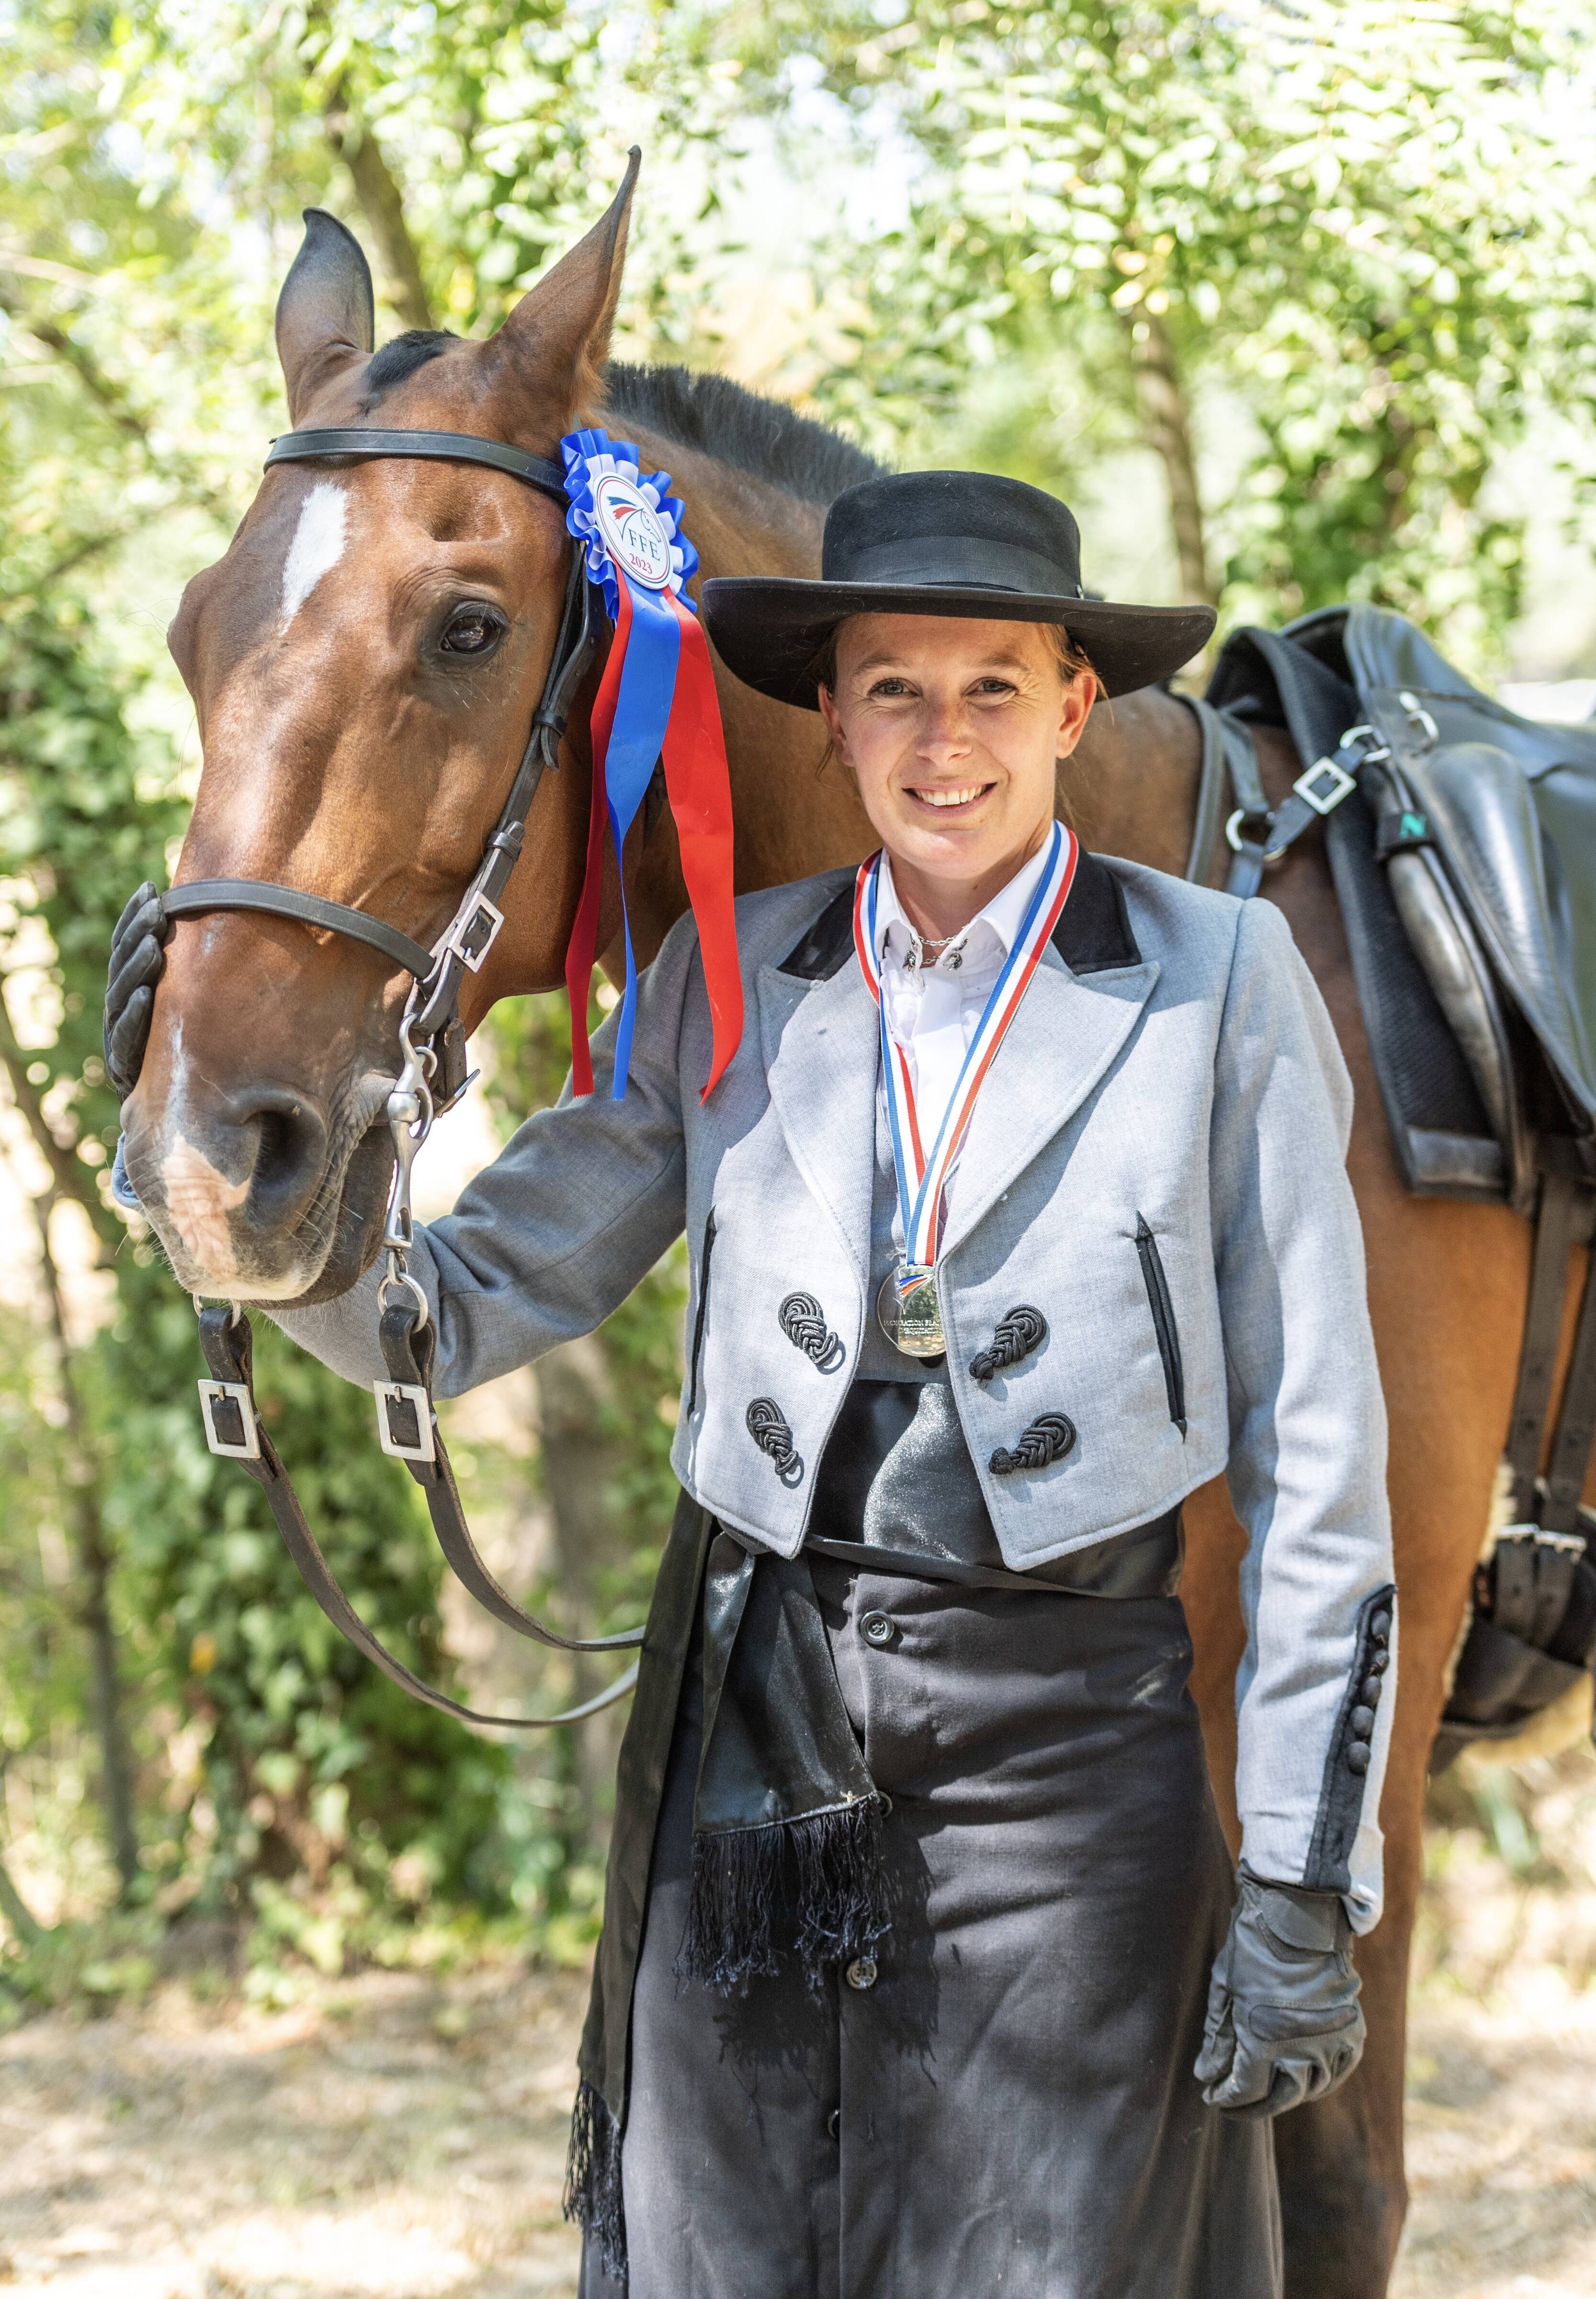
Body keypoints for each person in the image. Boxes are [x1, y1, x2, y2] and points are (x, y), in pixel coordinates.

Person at [104, 470, 1394, 2299]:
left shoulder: (1223, 979)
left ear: (1074, 706)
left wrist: (1298, 1874)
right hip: (761, 1743)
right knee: (739, 2258)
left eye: (992, 689)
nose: (943, 742)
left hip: (1076, 1758)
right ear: (833, 713)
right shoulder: (730, 977)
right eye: (892, 689)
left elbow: (1323, 1455)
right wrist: (249, 1212)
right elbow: (459, 1306)